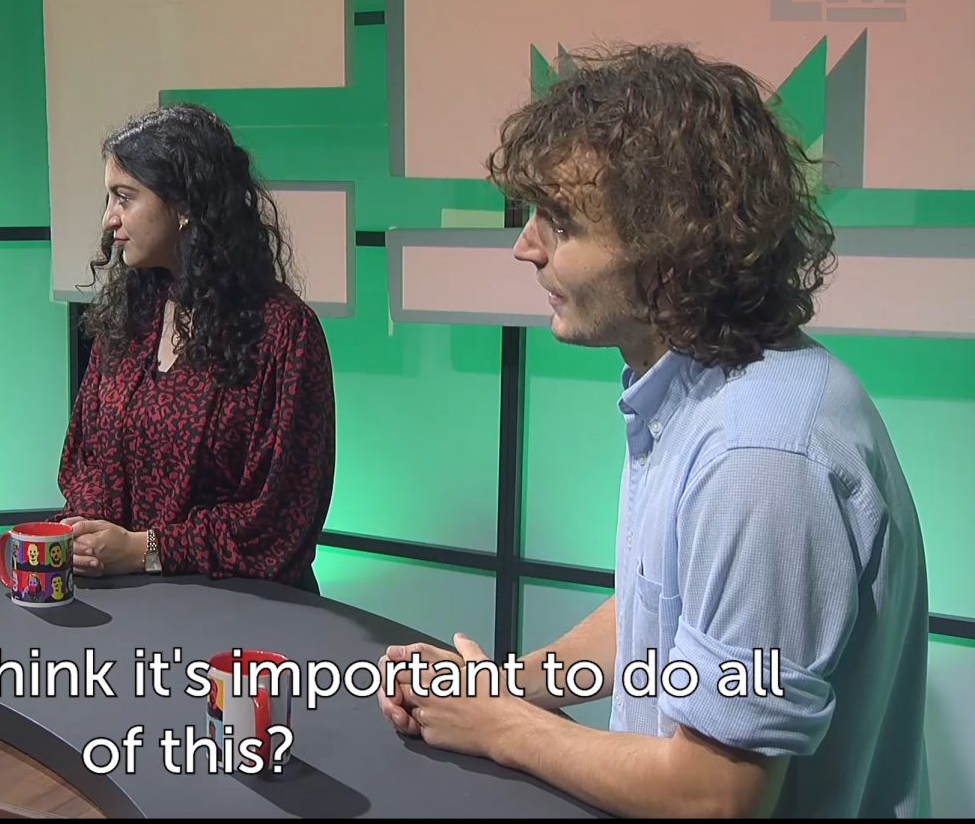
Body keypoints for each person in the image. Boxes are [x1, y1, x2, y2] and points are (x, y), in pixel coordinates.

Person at [375, 44, 928, 817]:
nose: (525, 247)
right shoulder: (702, 393)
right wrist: (507, 685)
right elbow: (660, 617)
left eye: (560, 222)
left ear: (671, 250)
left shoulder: (758, 457)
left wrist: (501, 725)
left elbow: (715, 794)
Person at [53, 103, 336, 592]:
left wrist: (145, 550)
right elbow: (88, 461)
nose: (108, 220)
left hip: (242, 609)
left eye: (124, 198)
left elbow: (279, 519)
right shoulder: (127, 318)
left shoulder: (285, 333)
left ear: (184, 204)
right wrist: (88, 537)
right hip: (128, 602)